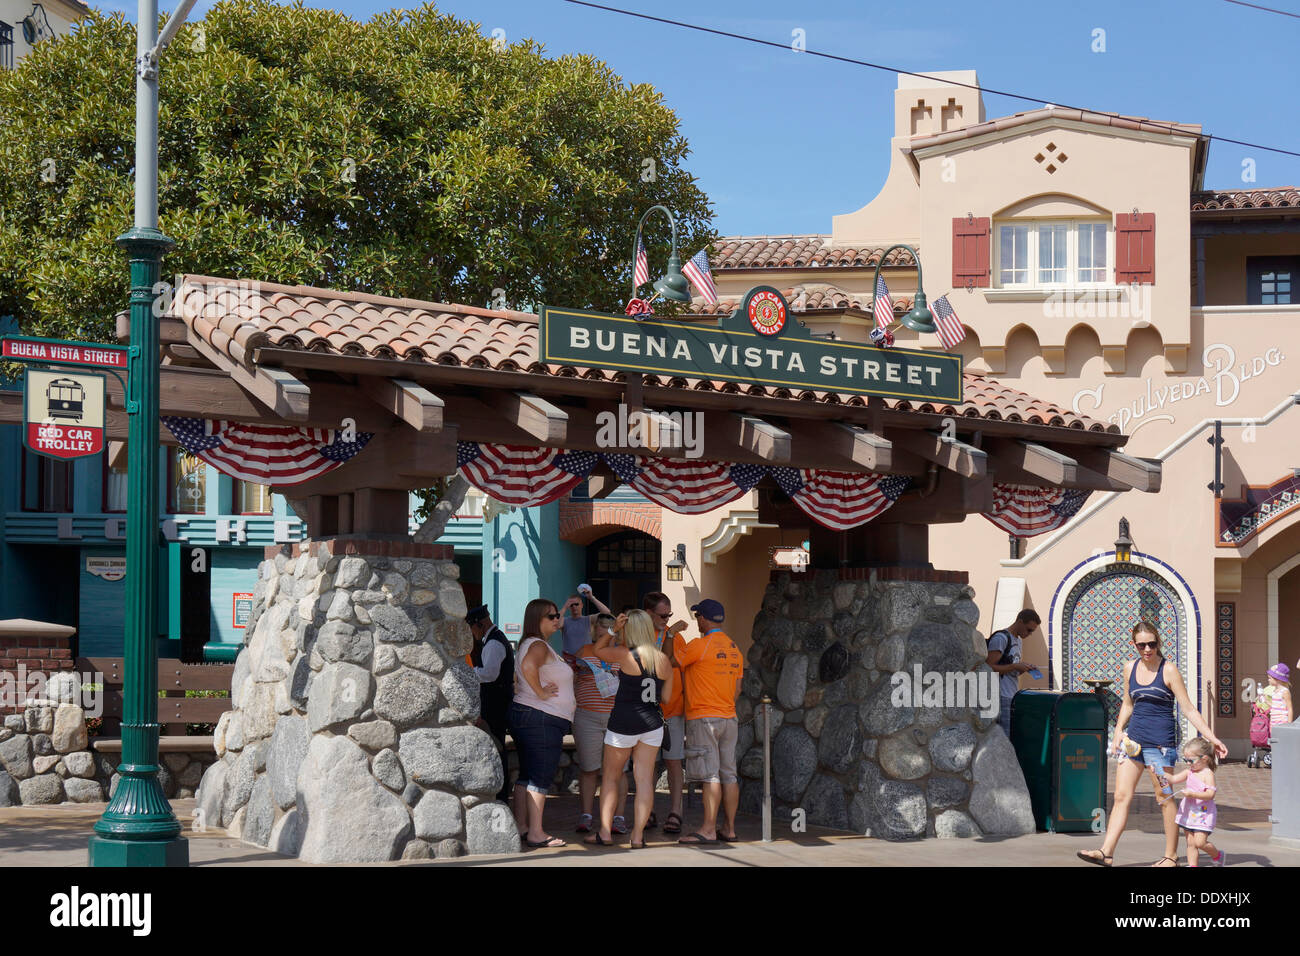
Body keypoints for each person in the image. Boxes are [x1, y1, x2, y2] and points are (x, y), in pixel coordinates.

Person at [1078, 621, 1228, 867]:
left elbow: (1188, 708)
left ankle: (1171, 856)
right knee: (1121, 797)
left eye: (1152, 644)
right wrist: (1117, 732)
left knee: (1164, 797)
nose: (1147, 649)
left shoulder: (1168, 670)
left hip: (1160, 747)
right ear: (1134, 644)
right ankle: (1106, 852)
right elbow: (1128, 703)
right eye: (1141, 645)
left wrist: (1212, 738)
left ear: (1158, 642)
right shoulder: (1130, 668)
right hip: (1134, 743)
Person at [585, 609, 674, 848]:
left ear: (629, 629)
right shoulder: (664, 660)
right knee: (644, 781)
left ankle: (604, 832)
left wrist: (612, 630)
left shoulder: (625, 654)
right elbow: (666, 697)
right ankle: (637, 836)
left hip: (623, 723)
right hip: (652, 724)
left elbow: (597, 651)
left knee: (611, 777)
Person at [670, 598, 744, 845]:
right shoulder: (734, 648)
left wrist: (671, 634)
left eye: (697, 617)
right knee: (729, 775)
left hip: (704, 718)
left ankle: (709, 829)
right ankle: (729, 829)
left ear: (703, 618)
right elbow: (737, 689)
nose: (697, 621)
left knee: (710, 776)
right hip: (729, 718)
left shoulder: (699, 645)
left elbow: (671, 661)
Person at [508, 598, 576, 849]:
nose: (558, 619)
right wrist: (541, 692)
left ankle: (524, 826)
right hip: (541, 718)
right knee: (540, 775)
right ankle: (536, 832)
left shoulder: (535, 644)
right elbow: (527, 666)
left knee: (527, 774)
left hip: (533, 716)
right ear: (537, 619)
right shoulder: (537, 645)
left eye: (558, 614)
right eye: (552, 616)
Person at [571, 612, 629, 834]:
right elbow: (572, 679)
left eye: (608, 629)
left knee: (619, 771)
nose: (602, 633)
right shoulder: (584, 652)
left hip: (617, 717)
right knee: (588, 768)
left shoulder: (623, 653)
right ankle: (586, 815)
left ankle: (619, 817)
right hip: (587, 716)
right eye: (599, 630)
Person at [645, 590, 688, 835]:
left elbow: (675, 665)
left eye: (669, 614)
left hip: (672, 710)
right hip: (647, 711)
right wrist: (669, 635)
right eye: (663, 615)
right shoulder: (640, 635)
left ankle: (676, 811)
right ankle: (647, 809)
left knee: (673, 762)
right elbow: (657, 661)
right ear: (649, 613)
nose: (667, 619)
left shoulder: (677, 638)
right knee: (648, 764)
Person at [467, 605, 515, 803]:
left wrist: (468, 672)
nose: (472, 633)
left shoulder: (494, 644)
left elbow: (489, 674)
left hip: (496, 704)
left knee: (496, 746)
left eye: (472, 628)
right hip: (497, 703)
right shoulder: (494, 640)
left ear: (480, 624)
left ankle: (501, 793)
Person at [985, 609, 1042, 738]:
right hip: (999, 695)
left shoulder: (1018, 640)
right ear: (1020, 622)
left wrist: (1022, 669)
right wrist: (1015, 666)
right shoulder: (1001, 638)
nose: (1030, 634)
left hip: (1011, 694)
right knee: (1005, 737)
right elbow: (988, 667)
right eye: (1029, 630)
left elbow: (1010, 672)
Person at [1168, 737, 1224, 867]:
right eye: (1185, 760)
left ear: (1204, 758)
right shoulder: (1189, 772)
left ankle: (1217, 855)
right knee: (1191, 843)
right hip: (1189, 811)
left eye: (1190, 760)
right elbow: (1173, 779)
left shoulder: (1207, 773)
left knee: (1200, 842)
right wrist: (1160, 773)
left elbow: (1210, 794)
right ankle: (1193, 865)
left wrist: (1193, 794)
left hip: (1203, 814)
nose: (1188, 763)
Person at [559, 587, 614, 659]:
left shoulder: (588, 619)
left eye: (576, 604)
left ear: (582, 605)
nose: (574, 607)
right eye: (571, 605)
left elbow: (606, 612)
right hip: (569, 661)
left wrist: (591, 597)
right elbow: (556, 624)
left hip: (586, 661)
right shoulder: (565, 621)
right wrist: (565, 607)